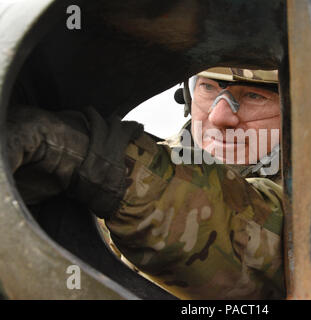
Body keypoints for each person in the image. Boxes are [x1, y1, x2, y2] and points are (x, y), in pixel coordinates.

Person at [8, 67, 285, 299]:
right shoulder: (149, 156)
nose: (219, 116)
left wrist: (89, 158)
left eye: (254, 95)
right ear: (187, 96)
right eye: (208, 88)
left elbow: (240, 227)